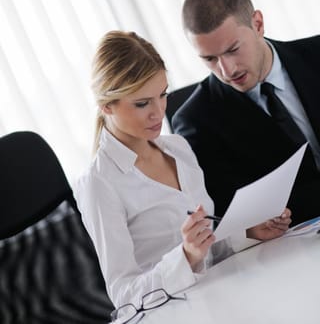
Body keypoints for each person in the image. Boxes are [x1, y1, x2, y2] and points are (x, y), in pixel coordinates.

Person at [74, 31, 292, 308]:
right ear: (107, 106)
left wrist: (250, 231)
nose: (158, 112)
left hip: (220, 297)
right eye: (142, 103)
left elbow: (210, 249)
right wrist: (186, 256)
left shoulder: (177, 148)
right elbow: (125, 296)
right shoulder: (98, 183)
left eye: (162, 95)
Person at [172, 0, 320, 225]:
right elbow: (232, 210)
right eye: (210, 59)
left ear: (258, 24)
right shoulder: (196, 121)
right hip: (290, 248)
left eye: (232, 49)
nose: (227, 70)